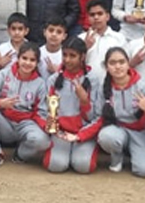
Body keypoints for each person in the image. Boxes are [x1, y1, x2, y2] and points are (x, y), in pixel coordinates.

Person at [0, 43, 50, 169]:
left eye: (32, 60)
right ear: (18, 58)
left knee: (43, 142)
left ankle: (20, 154)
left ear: (37, 62)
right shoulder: (4, 75)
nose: (27, 63)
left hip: (26, 124)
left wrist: (46, 125)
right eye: (24, 58)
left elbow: (41, 112)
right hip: (4, 121)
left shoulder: (40, 83)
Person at [96, 46, 145, 177]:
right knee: (107, 136)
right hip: (117, 130)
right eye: (112, 63)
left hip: (141, 132)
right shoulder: (104, 87)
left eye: (121, 62)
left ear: (128, 63)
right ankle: (117, 155)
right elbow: (99, 116)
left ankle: (136, 153)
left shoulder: (141, 86)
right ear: (106, 66)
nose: (117, 67)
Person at [43, 38, 102, 174]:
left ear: (82, 57)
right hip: (61, 133)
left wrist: (84, 101)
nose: (67, 60)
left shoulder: (93, 80)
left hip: (84, 132)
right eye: (65, 55)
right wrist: (56, 132)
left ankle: (83, 150)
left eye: (72, 56)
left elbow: (97, 117)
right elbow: (50, 112)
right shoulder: (54, 80)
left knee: (83, 166)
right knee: (56, 166)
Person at [80, 0, 127, 83]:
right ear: (88, 18)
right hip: (87, 85)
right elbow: (74, 65)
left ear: (107, 16)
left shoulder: (119, 38)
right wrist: (85, 47)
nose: (96, 17)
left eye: (100, 14)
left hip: (112, 85)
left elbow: (125, 65)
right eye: (92, 15)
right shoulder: (81, 39)